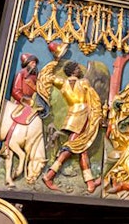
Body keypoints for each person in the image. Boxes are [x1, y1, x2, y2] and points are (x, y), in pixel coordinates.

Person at [41, 60, 104, 193]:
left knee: (82, 149)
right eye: (77, 68)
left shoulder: (62, 82)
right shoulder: (84, 82)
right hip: (83, 115)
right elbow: (94, 99)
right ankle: (49, 176)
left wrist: (54, 61)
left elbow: (46, 77)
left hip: (72, 116)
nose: (80, 70)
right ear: (74, 71)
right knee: (72, 146)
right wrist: (97, 115)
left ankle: (90, 183)